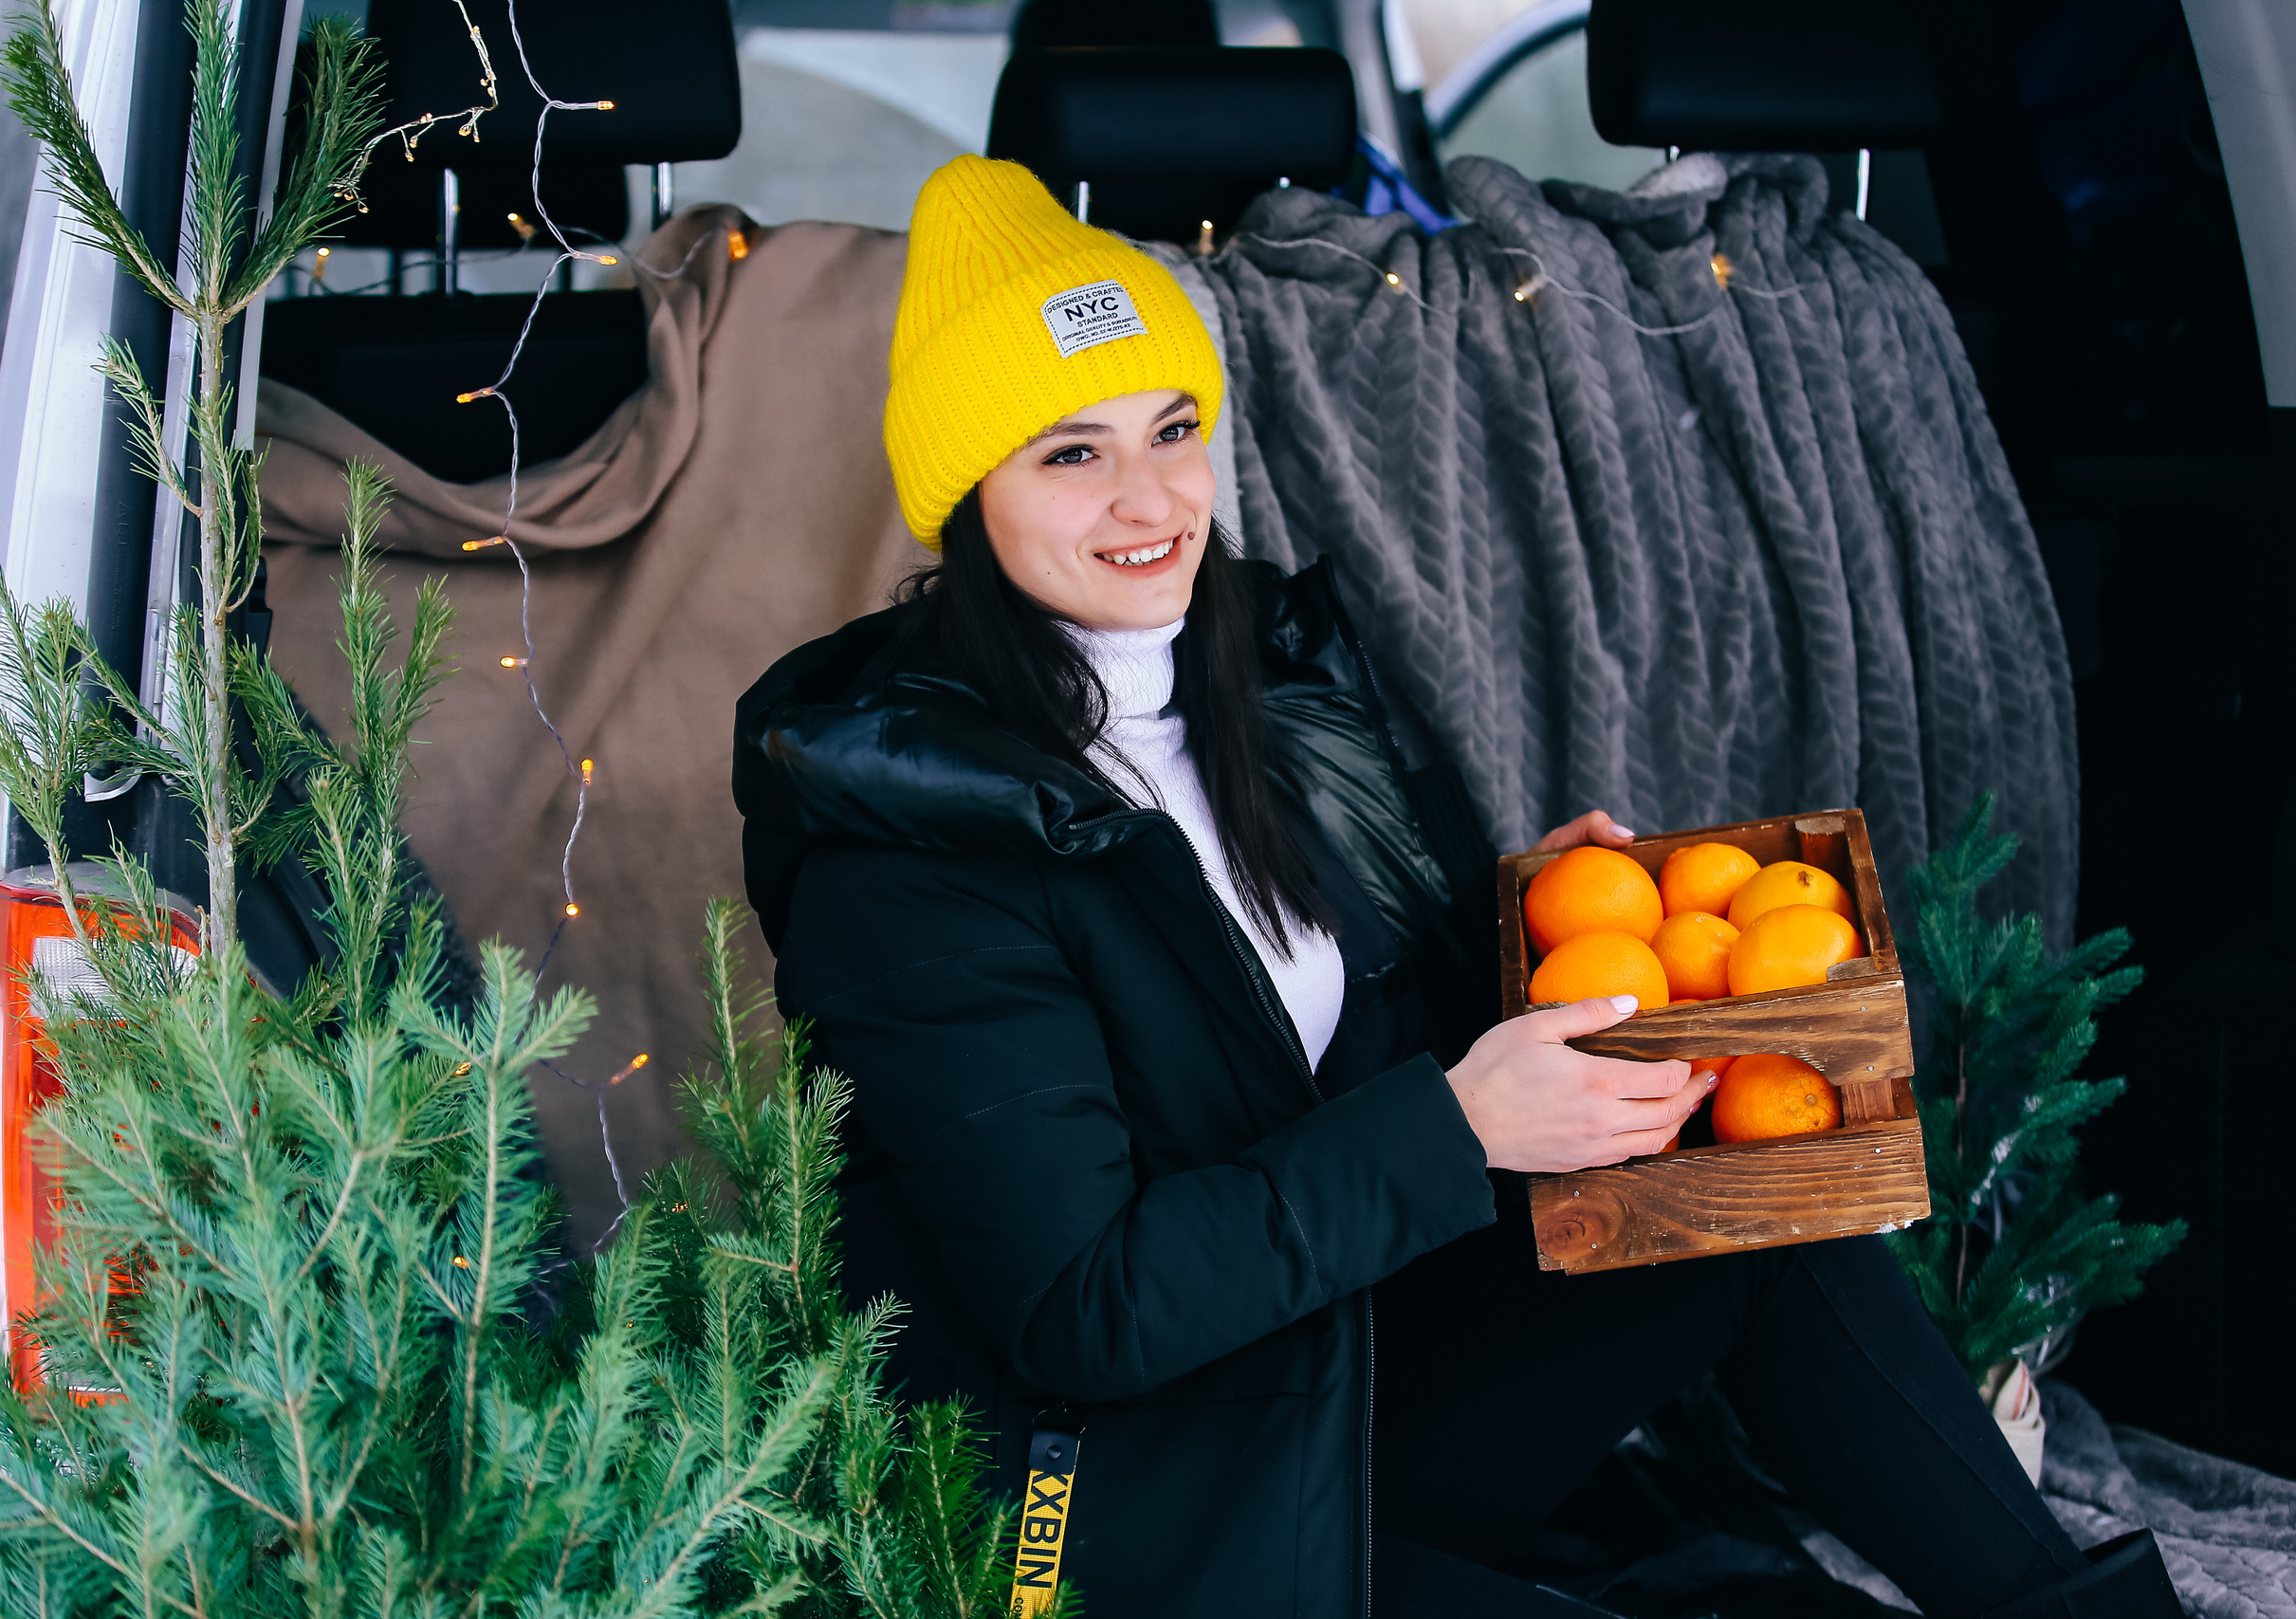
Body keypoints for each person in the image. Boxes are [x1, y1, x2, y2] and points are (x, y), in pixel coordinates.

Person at [732, 156, 2183, 1618]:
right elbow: (1082, 1312)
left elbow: (1321, 1039)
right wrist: (1459, 1124)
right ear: (965, 494)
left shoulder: (1259, 682)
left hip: (1346, 1372)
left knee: (1742, 1205)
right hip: (1134, 1499)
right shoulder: (916, 853)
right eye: (1071, 454)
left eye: (1173, 429)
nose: (1150, 498)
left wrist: (1522, 926)